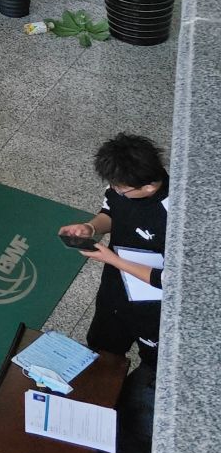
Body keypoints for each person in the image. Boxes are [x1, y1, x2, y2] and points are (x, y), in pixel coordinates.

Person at [61, 132, 169, 361]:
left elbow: (169, 280)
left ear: (149, 187)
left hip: (152, 304)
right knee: (102, 346)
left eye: (122, 190)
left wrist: (112, 260)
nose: (115, 191)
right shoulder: (121, 185)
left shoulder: (175, 216)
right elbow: (110, 212)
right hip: (114, 287)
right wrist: (91, 227)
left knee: (152, 358)